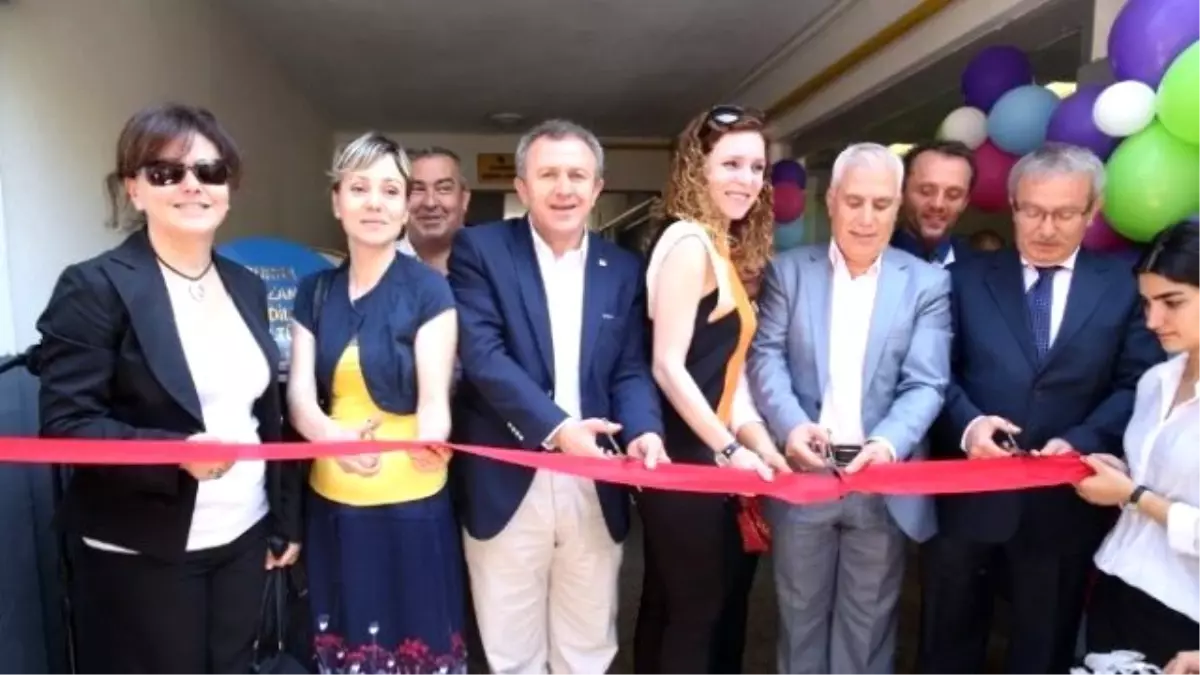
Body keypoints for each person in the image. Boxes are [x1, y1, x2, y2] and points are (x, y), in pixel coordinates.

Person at [34, 103, 303, 675]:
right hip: (142, 548)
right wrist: (175, 454)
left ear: (227, 189)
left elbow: (263, 415)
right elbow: (66, 427)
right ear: (134, 189)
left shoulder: (246, 286)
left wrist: (282, 520)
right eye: (166, 172)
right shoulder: (93, 286)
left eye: (209, 171)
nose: (191, 185)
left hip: (242, 534)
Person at [917, 143, 1165, 675]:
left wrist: (1083, 439)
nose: (1046, 228)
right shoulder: (963, 279)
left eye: (1064, 213)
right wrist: (970, 425)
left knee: (1043, 648)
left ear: (1093, 211)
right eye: (1032, 211)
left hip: (1064, 504)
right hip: (969, 497)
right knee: (946, 643)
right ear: (1012, 206)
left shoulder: (1124, 288)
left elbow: (1135, 384)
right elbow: (935, 374)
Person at [448, 118, 666, 675]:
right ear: (522, 187)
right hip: (507, 474)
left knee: (587, 646)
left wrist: (644, 429)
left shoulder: (623, 268)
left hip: (595, 477)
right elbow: (484, 355)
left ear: (597, 187)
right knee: (510, 650)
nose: (563, 188)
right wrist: (560, 430)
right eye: (548, 175)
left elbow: (630, 367)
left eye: (577, 175)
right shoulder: (479, 249)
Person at [748, 142, 953, 675]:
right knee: (799, 620)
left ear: (898, 206)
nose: (866, 218)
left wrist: (887, 444)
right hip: (804, 475)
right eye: (854, 201)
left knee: (868, 629)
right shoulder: (789, 272)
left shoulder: (927, 283)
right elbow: (765, 357)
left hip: (880, 479)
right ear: (832, 200)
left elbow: (926, 382)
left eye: (881, 204)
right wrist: (791, 427)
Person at [287, 132, 466, 672]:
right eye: (359, 188)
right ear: (336, 200)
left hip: (413, 502)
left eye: (390, 190)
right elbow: (300, 395)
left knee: (416, 651)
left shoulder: (429, 290)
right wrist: (330, 437)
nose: (374, 203)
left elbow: (434, 400)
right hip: (334, 504)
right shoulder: (314, 291)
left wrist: (433, 439)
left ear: (405, 206)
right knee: (344, 649)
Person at [634, 105, 789, 675]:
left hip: (698, 457)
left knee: (671, 608)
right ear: (696, 167)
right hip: (684, 460)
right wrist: (727, 449)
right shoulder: (689, 244)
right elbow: (668, 366)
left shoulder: (715, 244)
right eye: (730, 164)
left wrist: (761, 446)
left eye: (756, 167)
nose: (746, 179)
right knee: (695, 613)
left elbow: (724, 375)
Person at [1074, 221, 1200, 668]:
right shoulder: (1155, 381)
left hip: (1185, 617)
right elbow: (1156, 477)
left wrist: (1133, 494)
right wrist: (1120, 475)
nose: (1152, 321)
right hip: (1114, 583)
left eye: (1172, 302)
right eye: (1147, 303)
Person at [890, 140, 976, 266]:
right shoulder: (869, 262)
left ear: (965, 202)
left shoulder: (981, 269)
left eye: (953, 195)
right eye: (926, 191)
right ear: (901, 192)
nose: (938, 204)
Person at [399, 146, 471, 273]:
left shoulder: (495, 261)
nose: (430, 203)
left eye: (444, 188)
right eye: (418, 189)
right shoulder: (377, 265)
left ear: (464, 199)